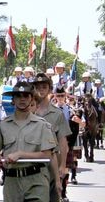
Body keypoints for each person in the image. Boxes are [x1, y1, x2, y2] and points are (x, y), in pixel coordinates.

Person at [0, 82, 57, 202]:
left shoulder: (42, 125)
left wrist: (21, 154)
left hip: (36, 180)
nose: (22, 99)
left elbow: (47, 155)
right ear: (13, 100)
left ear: (31, 99)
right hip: (12, 181)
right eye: (18, 96)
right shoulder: (3, 125)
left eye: (26, 96)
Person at [33, 73, 70, 202]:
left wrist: (63, 165)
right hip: (32, 160)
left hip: (52, 162)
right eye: (38, 87)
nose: (41, 90)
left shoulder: (57, 113)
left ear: (49, 89)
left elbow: (63, 140)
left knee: (53, 197)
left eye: (44, 87)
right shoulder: (28, 112)